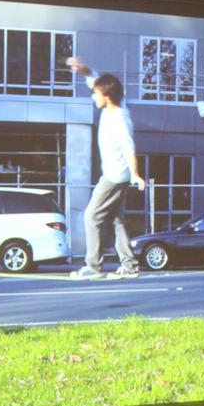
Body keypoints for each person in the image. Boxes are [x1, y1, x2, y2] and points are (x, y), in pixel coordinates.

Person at [65, 57, 146, 280]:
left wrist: (136, 175)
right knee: (116, 220)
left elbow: (130, 148)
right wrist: (85, 69)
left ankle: (93, 266)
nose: (93, 97)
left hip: (114, 177)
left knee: (91, 216)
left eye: (96, 95)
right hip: (115, 175)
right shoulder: (113, 104)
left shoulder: (120, 119)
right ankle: (129, 267)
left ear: (107, 97)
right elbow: (96, 80)